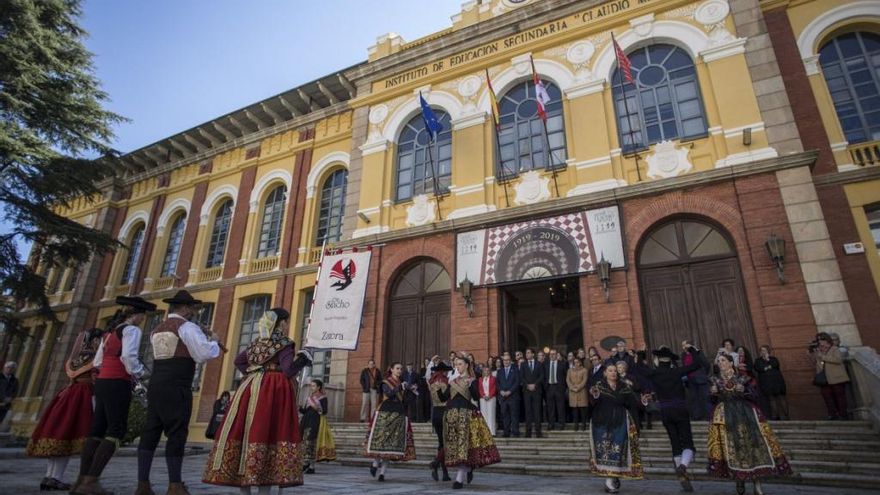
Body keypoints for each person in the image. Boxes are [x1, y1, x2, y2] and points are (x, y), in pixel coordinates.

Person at [203, 308, 312, 494]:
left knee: (245, 431)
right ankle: (264, 487)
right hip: (272, 391)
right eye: (285, 321)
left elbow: (238, 361)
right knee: (269, 432)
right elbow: (288, 370)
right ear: (280, 323)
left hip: (248, 389)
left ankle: (243, 483)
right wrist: (303, 359)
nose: (286, 325)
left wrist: (253, 373)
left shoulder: (256, 343)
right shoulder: (284, 343)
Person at [136, 291, 223, 495]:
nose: (194, 312)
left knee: (151, 432)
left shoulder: (156, 329)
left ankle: (142, 484)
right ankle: (175, 484)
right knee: (177, 433)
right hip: (177, 385)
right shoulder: (187, 327)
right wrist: (215, 341)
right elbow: (202, 354)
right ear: (184, 308)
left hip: (156, 384)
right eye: (192, 308)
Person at [72, 296, 155, 495]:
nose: (142, 320)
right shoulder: (131, 330)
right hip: (118, 382)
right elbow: (128, 357)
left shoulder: (109, 333)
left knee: (96, 430)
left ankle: (81, 481)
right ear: (136, 315)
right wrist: (141, 373)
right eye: (142, 316)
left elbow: (98, 361)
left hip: (102, 382)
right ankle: (92, 481)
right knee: (116, 429)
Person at [26, 328, 102, 491]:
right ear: (95, 341)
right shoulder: (94, 357)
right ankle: (56, 477)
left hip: (66, 395)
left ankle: (49, 476)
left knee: (58, 434)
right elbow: (97, 378)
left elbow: (72, 374)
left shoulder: (75, 358)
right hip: (82, 396)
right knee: (68, 435)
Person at [707, 353, 792, 495]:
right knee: (732, 449)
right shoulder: (714, 380)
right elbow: (711, 401)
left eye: (723, 360)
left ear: (730, 362)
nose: (720, 363)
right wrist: (712, 394)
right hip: (726, 417)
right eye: (718, 361)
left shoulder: (743, 378)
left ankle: (757, 483)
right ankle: (739, 481)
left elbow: (755, 396)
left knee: (752, 447)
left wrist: (745, 391)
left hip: (745, 416)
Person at [637, 345, 707, 493]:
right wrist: (692, 350)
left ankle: (682, 475)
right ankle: (682, 467)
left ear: (657, 360)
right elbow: (697, 364)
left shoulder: (654, 373)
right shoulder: (677, 371)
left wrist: (642, 353)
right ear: (670, 361)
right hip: (680, 409)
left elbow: (639, 367)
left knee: (675, 442)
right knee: (687, 442)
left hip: (665, 411)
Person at [440, 357, 501, 489]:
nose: (458, 367)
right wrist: (438, 387)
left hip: (465, 415)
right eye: (456, 364)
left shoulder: (472, 380)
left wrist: (470, 385)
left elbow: (475, 396)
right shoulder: (452, 381)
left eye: (460, 364)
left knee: (463, 446)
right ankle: (467, 469)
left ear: (467, 365)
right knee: (456, 447)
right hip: (452, 416)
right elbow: (444, 397)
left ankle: (459, 479)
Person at [588, 364, 644, 494]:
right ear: (605, 373)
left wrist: (643, 401)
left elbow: (634, 402)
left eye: (614, 371)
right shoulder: (599, 386)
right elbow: (593, 402)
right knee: (605, 451)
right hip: (602, 423)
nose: (613, 373)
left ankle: (614, 477)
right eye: (610, 370)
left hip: (620, 423)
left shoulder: (624, 386)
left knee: (617, 451)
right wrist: (595, 395)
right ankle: (609, 481)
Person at [364, 363, 416, 481]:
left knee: (391, 445)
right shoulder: (385, 382)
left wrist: (412, 391)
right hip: (385, 413)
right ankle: (375, 464)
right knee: (381, 441)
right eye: (397, 368)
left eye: (401, 369)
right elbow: (388, 393)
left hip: (399, 413)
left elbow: (406, 401)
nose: (399, 370)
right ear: (391, 370)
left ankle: (382, 473)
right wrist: (400, 387)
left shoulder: (403, 384)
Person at [300, 379, 336, 474]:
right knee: (305, 441)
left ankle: (308, 464)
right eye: (311, 386)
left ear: (318, 387)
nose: (312, 387)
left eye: (313, 386)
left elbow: (324, 411)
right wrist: (299, 407)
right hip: (306, 419)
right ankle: (310, 466)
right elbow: (304, 410)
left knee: (311, 441)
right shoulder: (309, 397)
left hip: (315, 420)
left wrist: (315, 406)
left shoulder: (323, 398)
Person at [812, 332, 850, 420]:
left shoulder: (834, 349)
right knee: (827, 396)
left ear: (826, 340)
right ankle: (832, 414)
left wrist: (823, 357)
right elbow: (818, 363)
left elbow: (838, 360)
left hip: (836, 377)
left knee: (840, 396)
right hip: (824, 378)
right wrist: (815, 356)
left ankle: (843, 415)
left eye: (821, 339)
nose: (820, 341)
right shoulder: (819, 351)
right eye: (818, 340)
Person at [428, 361, 453, 482]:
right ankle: (436, 463)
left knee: (441, 443)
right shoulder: (445, 381)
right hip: (444, 412)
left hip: (435, 412)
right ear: (444, 371)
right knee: (446, 443)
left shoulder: (432, 381)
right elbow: (448, 397)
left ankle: (445, 474)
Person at [754, 346, 789, 420]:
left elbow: (775, 365)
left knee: (781, 397)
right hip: (766, 383)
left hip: (777, 381)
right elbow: (758, 368)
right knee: (771, 399)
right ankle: (776, 416)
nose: (763, 352)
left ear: (768, 351)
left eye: (765, 350)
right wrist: (767, 367)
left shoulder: (773, 359)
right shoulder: (758, 360)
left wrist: (767, 360)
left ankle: (786, 416)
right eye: (761, 350)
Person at [681, 341, 711, 421]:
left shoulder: (698, 353)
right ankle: (697, 416)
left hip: (701, 378)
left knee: (705, 397)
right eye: (682, 345)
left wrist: (704, 374)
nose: (684, 347)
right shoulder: (683, 355)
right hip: (690, 379)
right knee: (694, 399)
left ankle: (709, 415)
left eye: (685, 345)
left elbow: (707, 364)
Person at [519, 348, 544, 438]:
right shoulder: (523, 364)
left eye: (528, 353)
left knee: (537, 411)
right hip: (527, 391)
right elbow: (521, 377)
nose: (527, 354)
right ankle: (528, 432)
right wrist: (528, 385)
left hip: (536, 391)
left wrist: (535, 385)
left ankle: (538, 432)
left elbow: (542, 376)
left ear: (533, 354)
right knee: (528, 411)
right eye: (526, 353)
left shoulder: (539, 364)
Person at [496, 353, 520, 438]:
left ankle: (515, 432)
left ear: (510, 361)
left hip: (513, 396)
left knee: (514, 415)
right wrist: (501, 391)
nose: (506, 362)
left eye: (507, 360)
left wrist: (510, 391)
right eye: (504, 360)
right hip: (503, 397)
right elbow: (497, 383)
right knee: (505, 415)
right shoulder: (500, 371)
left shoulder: (515, 370)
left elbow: (517, 382)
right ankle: (506, 432)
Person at [544, 348, 567, 431]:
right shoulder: (546, 364)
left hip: (559, 388)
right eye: (551, 354)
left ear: (557, 355)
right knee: (550, 408)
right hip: (549, 387)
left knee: (560, 407)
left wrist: (563, 388)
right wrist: (545, 387)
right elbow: (544, 377)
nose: (552, 355)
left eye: (554, 354)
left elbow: (565, 377)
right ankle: (551, 424)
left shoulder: (562, 364)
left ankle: (561, 424)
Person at [566, 357, 588, 431]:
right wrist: (572, 388)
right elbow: (567, 380)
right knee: (574, 411)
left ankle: (583, 425)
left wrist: (578, 387)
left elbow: (584, 380)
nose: (576, 364)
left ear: (580, 362)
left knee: (582, 411)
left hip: (581, 392)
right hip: (572, 393)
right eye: (574, 362)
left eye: (577, 362)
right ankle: (576, 425)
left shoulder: (584, 370)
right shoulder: (569, 370)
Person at [478, 365, 497, 436]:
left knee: (491, 414)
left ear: (490, 371)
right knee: (483, 414)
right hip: (483, 399)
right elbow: (480, 389)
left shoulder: (493, 379)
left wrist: (489, 396)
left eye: (488, 370)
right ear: (483, 372)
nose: (486, 372)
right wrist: (483, 395)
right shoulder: (480, 379)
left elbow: (494, 388)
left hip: (491, 398)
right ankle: (484, 432)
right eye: (485, 370)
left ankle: (492, 432)